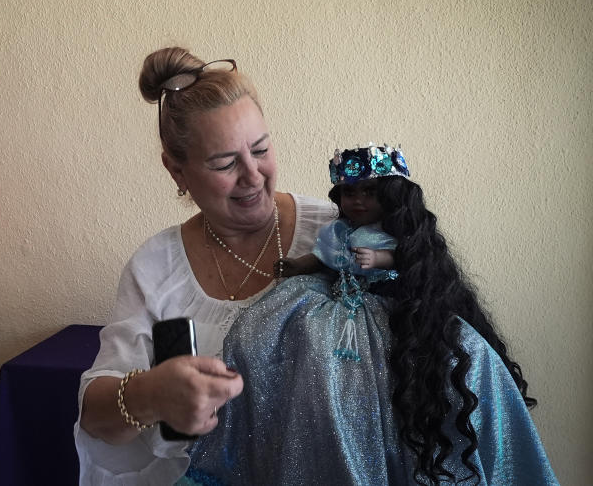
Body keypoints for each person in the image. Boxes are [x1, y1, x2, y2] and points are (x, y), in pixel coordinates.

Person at [183, 144, 557, 484]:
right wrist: (299, 266)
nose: (358, 201)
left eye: (370, 192)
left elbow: (410, 260)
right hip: (333, 301)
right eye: (350, 192)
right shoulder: (338, 232)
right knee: (265, 335)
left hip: (388, 306)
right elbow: (323, 258)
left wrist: (379, 258)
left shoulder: (397, 236)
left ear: (393, 197)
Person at [74, 47, 338, 483]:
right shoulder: (155, 267)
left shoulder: (335, 236)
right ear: (176, 172)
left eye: (261, 149)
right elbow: (95, 416)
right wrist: (150, 395)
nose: (253, 175)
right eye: (224, 163)